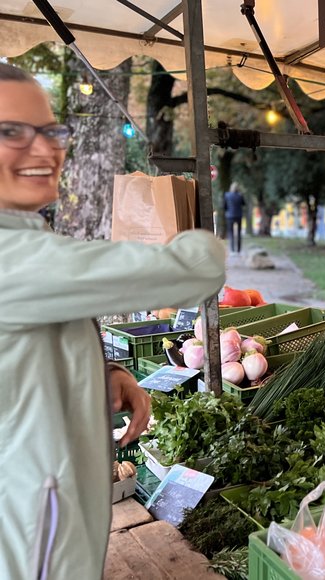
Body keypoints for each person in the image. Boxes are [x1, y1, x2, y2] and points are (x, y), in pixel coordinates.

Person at [0, 63, 226, 579]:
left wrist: (102, 375)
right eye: (12, 131)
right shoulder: (13, 255)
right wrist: (204, 234)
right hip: (31, 543)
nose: (44, 149)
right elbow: (194, 269)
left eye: (51, 131)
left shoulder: (26, 238)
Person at [224, 181, 246, 254]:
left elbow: (224, 206)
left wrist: (227, 210)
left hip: (230, 216)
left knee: (231, 232)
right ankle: (238, 250)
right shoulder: (240, 195)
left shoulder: (227, 195)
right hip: (239, 215)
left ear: (231, 188)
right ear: (238, 188)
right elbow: (244, 204)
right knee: (239, 232)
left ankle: (232, 249)